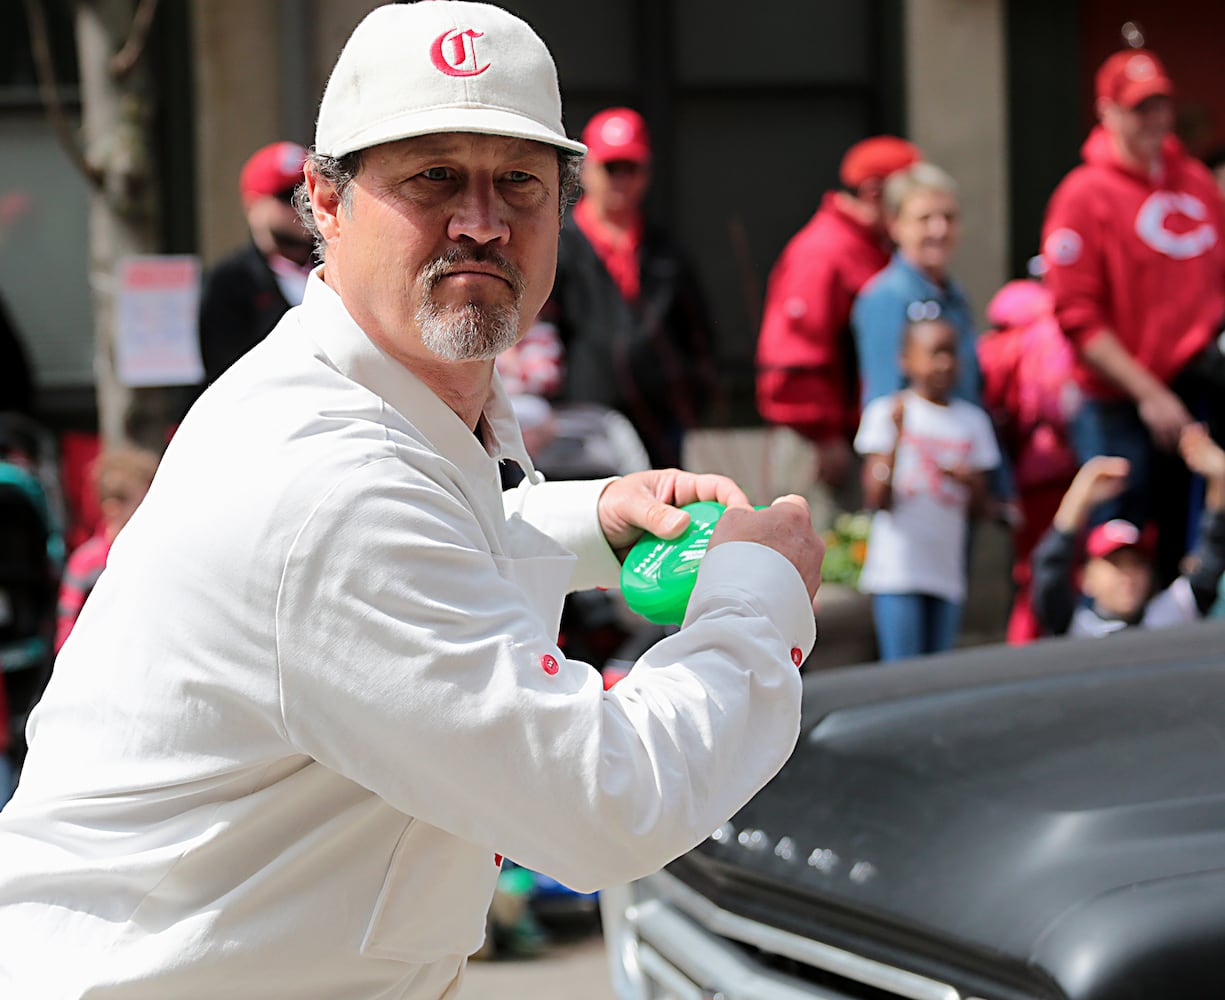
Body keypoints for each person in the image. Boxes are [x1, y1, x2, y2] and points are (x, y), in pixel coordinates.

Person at [0, 5, 824, 998]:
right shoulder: (333, 485)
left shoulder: (360, 407)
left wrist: (592, 521)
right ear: (325, 200)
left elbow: (421, 554)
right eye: (433, 175)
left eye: (516, 180)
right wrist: (757, 597)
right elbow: (605, 802)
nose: (480, 219)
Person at [1040, 46, 1225, 584]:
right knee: (1118, 549)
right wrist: (1149, 393)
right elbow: (1076, 315)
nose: (1154, 119)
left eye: (1160, 104)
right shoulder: (1083, 195)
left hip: (1193, 390)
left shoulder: (1192, 181)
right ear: (1108, 112)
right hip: (1117, 402)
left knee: (1192, 542)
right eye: (1139, 107)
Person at [540, 106, 715, 468]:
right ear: (586, 170)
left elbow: (697, 334)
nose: (621, 179)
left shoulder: (666, 252)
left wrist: (690, 396)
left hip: (659, 426)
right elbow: (536, 336)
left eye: (631, 168)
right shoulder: (556, 248)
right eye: (611, 167)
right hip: (579, 430)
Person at [755, 135, 921, 492]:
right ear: (876, 193)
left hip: (859, 439)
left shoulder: (868, 246)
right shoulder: (824, 251)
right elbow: (793, 357)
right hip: (822, 446)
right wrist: (824, 435)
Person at [854, 308, 1000, 660]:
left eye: (951, 352)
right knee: (902, 668)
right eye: (935, 353)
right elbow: (875, 497)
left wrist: (969, 483)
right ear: (906, 359)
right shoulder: (889, 412)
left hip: (946, 569)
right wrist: (896, 440)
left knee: (938, 671)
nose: (945, 363)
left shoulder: (973, 421)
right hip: (899, 571)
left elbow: (981, 509)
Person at [1031, 423, 1225, 637]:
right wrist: (1078, 498)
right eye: (1115, 564)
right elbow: (1049, 571)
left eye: (1136, 564)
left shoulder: (1172, 612)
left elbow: (1214, 548)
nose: (1127, 576)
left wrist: (1220, 478)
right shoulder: (1077, 627)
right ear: (1085, 579)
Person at [977, 272, 1081, 643]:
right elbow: (1061, 405)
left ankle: (1022, 645)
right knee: (1058, 565)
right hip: (1058, 469)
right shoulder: (1051, 329)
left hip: (1022, 469)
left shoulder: (999, 339)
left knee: (1030, 569)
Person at [852, 162, 982, 409]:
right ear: (895, 224)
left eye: (948, 217)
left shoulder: (955, 295)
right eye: (925, 219)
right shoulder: (887, 296)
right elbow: (884, 399)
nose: (939, 230)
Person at [197, 140, 314, 384]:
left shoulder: (340, 268)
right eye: (288, 196)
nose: (305, 205)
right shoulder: (229, 284)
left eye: (310, 192)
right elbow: (226, 376)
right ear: (253, 207)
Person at [53, 445, 159, 654]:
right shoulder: (85, 563)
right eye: (142, 503)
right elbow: (67, 624)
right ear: (113, 508)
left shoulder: (152, 553)